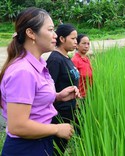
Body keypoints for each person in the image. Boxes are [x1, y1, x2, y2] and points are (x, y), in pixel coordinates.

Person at [0, 7, 80, 156]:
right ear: (31, 33)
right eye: (50, 30)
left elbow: (32, 98)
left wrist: (57, 96)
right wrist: (57, 129)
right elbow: (17, 126)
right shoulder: (23, 71)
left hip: (39, 142)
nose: (55, 35)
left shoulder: (38, 64)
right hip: (26, 147)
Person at [46, 23, 80, 155]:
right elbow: (49, 90)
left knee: (62, 148)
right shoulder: (55, 60)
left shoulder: (66, 57)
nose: (75, 42)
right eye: (72, 38)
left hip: (69, 112)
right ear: (62, 39)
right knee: (56, 149)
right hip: (59, 115)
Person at [71, 34, 93, 101]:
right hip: (80, 97)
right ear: (77, 45)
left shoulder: (87, 59)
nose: (86, 46)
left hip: (89, 95)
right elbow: (72, 81)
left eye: (88, 44)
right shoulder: (75, 60)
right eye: (83, 43)